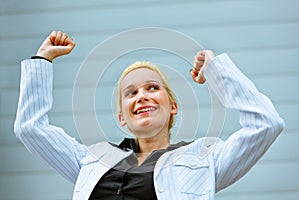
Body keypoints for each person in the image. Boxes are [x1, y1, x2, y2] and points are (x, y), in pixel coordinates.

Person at [14, 31, 284, 200]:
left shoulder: (204, 160)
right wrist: (42, 60)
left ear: (173, 106)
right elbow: (30, 129)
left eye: (153, 88)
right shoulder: (91, 159)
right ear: (123, 118)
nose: (141, 95)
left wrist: (215, 70)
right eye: (130, 93)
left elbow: (266, 124)